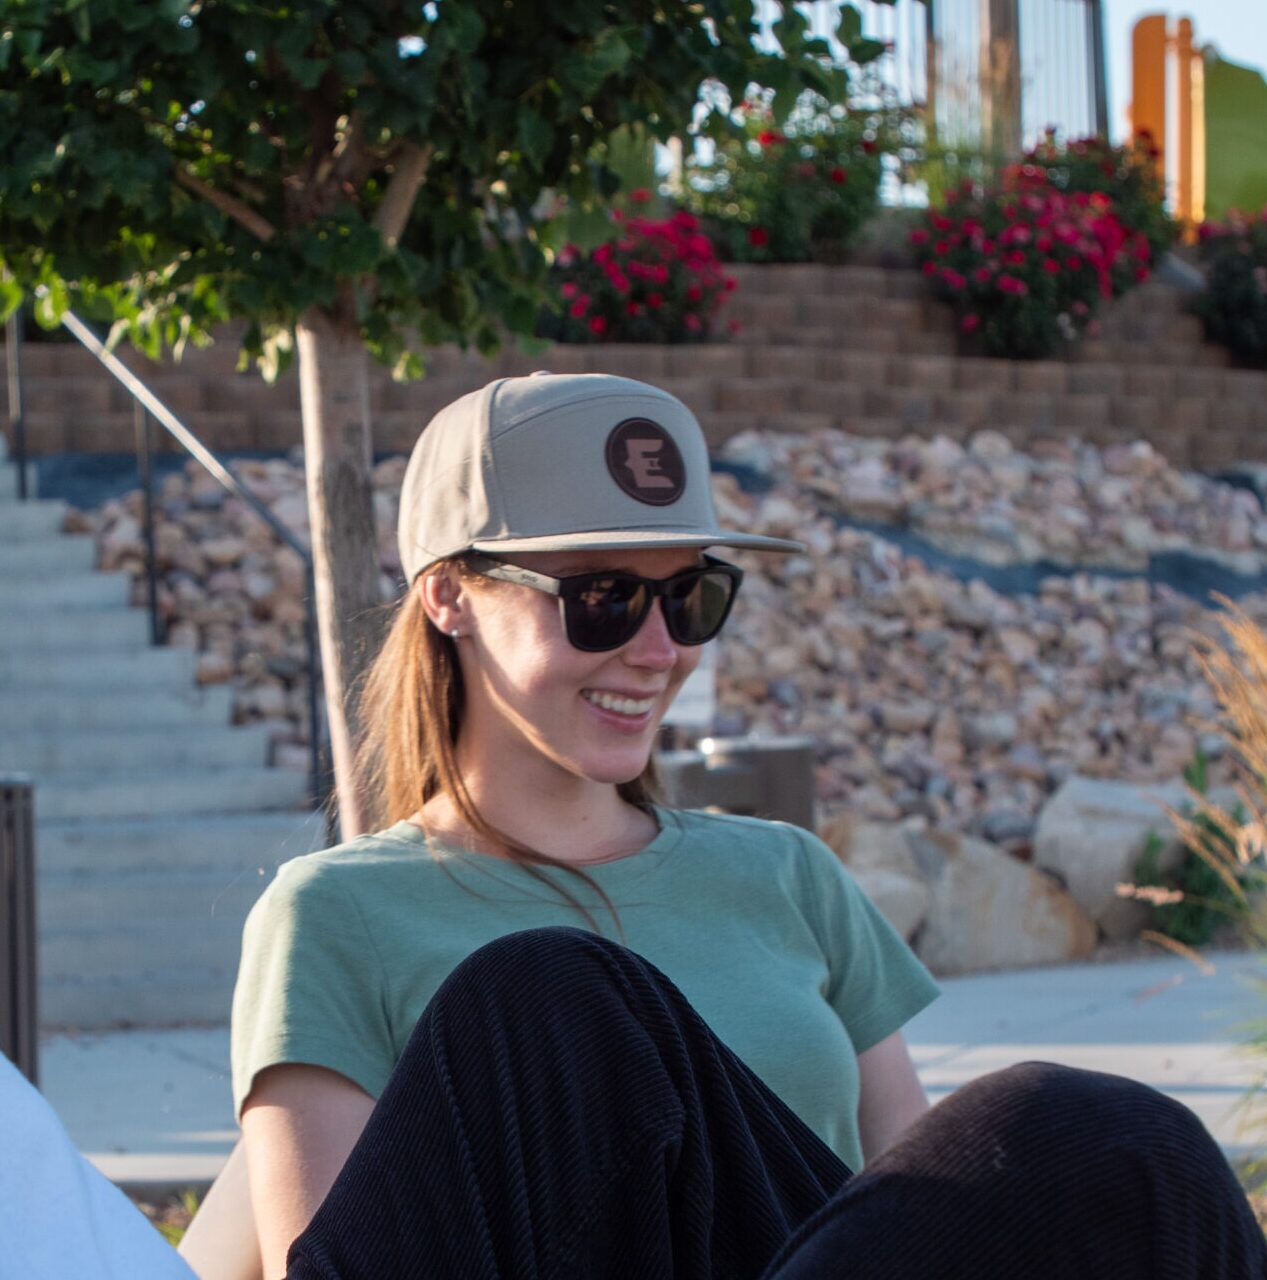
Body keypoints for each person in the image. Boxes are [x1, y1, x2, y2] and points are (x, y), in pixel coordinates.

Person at [228, 372, 1264, 1280]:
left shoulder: (786, 874)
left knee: (1108, 1135)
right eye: (602, 597)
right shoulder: (341, 913)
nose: (659, 650)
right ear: (448, 595)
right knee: (548, 994)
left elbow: (919, 1202)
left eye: (689, 596)